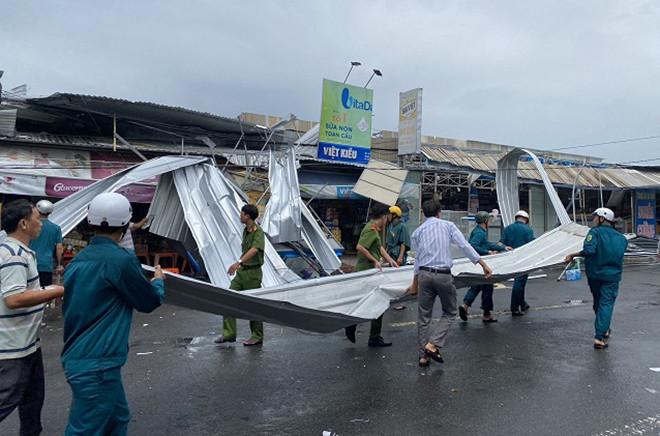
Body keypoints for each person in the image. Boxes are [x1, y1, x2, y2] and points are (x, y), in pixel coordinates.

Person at [61, 193, 165, 435]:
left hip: (84, 356)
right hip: (97, 363)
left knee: (117, 418)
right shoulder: (121, 261)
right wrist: (158, 282)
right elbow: (148, 301)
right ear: (125, 225)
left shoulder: (77, 261)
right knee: (86, 428)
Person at [0, 199, 64, 436]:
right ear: (24, 223)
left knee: (32, 400)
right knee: (7, 400)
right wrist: (56, 291)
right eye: (38, 219)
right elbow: (14, 299)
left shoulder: (21, 251)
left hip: (28, 343)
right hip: (12, 347)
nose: (41, 224)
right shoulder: (13, 254)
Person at [409, 200, 493, 367]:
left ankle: (423, 356)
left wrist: (414, 283)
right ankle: (432, 345)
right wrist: (483, 264)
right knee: (450, 311)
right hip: (443, 275)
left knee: (424, 317)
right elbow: (464, 245)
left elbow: (417, 259)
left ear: (423, 214)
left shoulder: (417, 232)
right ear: (439, 212)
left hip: (424, 275)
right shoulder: (448, 226)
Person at [564, 208, 627, 349]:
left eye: (595, 217)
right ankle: (602, 331)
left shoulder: (594, 233)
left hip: (595, 275)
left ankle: (600, 335)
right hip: (612, 276)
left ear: (602, 218)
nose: (593, 219)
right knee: (606, 304)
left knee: (599, 303)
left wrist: (573, 255)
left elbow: (589, 251)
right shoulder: (622, 239)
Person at [344, 203, 399, 347]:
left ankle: (373, 335)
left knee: (377, 302)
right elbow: (360, 247)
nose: (388, 219)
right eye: (387, 216)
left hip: (371, 271)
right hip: (366, 271)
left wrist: (390, 260)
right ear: (384, 216)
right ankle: (355, 326)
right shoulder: (371, 228)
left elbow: (379, 247)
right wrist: (375, 260)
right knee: (374, 302)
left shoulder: (375, 228)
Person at [215, 204, 267, 346]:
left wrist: (238, 262)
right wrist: (239, 265)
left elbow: (255, 250)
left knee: (252, 305)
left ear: (247, 216)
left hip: (253, 273)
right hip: (242, 272)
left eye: (242, 214)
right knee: (229, 298)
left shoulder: (258, 232)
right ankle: (229, 334)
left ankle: (257, 336)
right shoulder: (246, 230)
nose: (240, 216)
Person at [459, 211, 511, 323]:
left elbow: (486, 244)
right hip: (482, 264)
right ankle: (486, 314)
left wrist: (503, 247)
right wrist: (487, 252)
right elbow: (473, 246)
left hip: (478, 263)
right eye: (489, 219)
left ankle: (465, 306)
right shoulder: (480, 233)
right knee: (488, 287)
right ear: (485, 221)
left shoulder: (479, 231)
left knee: (477, 286)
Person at [500, 210, 535, 316]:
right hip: (523, 259)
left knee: (520, 282)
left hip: (510, 258)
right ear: (526, 219)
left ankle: (523, 303)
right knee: (519, 283)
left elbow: (502, 242)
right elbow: (532, 244)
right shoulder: (528, 230)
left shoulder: (508, 228)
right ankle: (514, 308)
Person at [29, 199, 64, 286]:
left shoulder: (29, 225)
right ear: (50, 212)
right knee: (44, 293)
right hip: (46, 264)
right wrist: (59, 264)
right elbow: (59, 248)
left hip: (30, 262)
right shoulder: (56, 228)